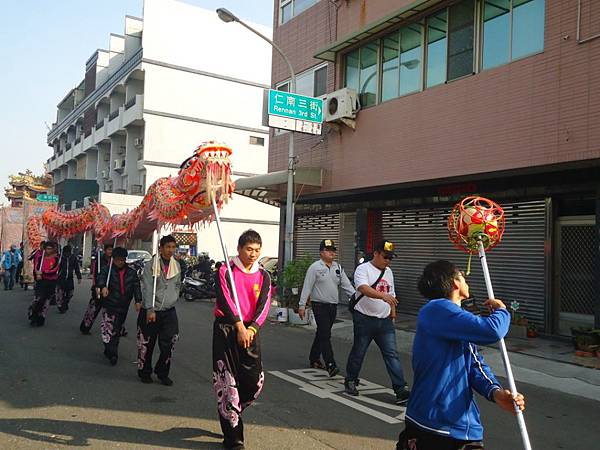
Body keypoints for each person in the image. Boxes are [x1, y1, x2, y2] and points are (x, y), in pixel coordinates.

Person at [396, 260, 526, 450]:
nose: (466, 280)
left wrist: (496, 393)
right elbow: (493, 330)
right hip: (435, 425)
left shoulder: (454, 319)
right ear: (455, 282)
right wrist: (502, 311)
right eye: (463, 276)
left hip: (459, 427)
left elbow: (474, 364)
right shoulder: (436, 309)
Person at [213, 229, 271, 450]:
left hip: (251, 331)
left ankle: (233, 411)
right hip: (227, 329)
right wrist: (238, 326)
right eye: (249, 249)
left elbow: (265, 304)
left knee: (254, 382)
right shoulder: (225, 270)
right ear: (239, 249)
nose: (253, 254)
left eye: (257, 250)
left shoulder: (264, 275)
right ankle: (233, 439)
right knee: (227, 384)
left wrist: (251, 329)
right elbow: (225, 299)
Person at [344, 240, 410, 405]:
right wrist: (382, 296)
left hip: (385, 321)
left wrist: (392, 315)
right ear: (375, 253)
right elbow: (362, 288)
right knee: (359, 351)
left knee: (392, 355)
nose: (387, 261)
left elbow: (392, 294)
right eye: (385, 256)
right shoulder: (363, 269)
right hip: (364, 319)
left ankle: (401, 389)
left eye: (390, 258)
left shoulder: (389, 272)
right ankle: (351, 380)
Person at [298, 239, 355, 377]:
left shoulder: (338, 268)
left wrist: (356, 298)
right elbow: (307, 286)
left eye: (333, 250)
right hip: (319, 306)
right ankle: (331, 364)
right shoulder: (315, 267)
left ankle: (314, 358)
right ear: (321, 252)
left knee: (322, 333)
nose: (332, 253)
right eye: (328, 250)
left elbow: (347, 285)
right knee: (325, 334)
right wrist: (302, 305)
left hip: (332, 307)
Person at [137, 235, 181, 385]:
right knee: (147, 344)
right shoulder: (151, 265)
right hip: (151, 310)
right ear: (160, 248)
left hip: (169, 311)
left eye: (173, 247)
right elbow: (148, 287)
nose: (171, 250)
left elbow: (177, 285)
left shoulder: (177, 265)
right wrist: (149, 308)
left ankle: (162, 372)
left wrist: (174, 297)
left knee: (169, 342)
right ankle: (145, 371)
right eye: (168, 247)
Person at [96, 247, 142, 366]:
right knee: (108, 328)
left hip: (123, 305)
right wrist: (102, 286)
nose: (120, 262)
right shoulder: (107, 270)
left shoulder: (131, 273)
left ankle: (112, 350)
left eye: (122, 260)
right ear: (113, 259)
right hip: (110, 304)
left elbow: (136, 287)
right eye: (117, 260)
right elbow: (100, 278)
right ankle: (112, 352)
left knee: (116, 329)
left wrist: (138, 300)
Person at [80, 243, 113, 335]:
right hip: (98, 288)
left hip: (108, 289)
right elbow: (94, 274)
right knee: (94, 307)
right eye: (108, 249)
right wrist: (95, 286)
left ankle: (113, 329)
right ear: (105, 250)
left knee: (110, 310)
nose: (110, 251)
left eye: (111, 249)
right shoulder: (98, 259)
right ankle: (85, 326)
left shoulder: (113, 260)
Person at [28, 241, 60, 326]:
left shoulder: (56, 258)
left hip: (51, 282)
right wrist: (37, 273)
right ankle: (33, 316)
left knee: (46, 302)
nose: (48, 250)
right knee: (38, 299)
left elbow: (54, 270)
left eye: (50, 249)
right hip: (41, 281)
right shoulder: (40, 258)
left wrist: (43, 272)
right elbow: (37, 267)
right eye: (47, 248)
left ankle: (41, 318)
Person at [56, 245, 82, 313]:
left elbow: (76, 268)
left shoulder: (73, 258)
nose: (67, 254)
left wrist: (79, 277)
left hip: (70, 279)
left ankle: (65, 302)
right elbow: (57, 267)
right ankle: (61, 306)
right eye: (66, 252)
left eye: (68, 252)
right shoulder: (60, 258)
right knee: (60, 293)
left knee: (70, 293)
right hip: (61, 278)